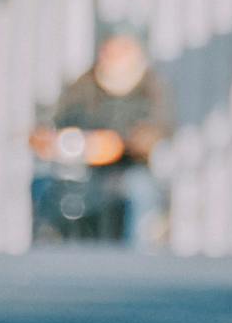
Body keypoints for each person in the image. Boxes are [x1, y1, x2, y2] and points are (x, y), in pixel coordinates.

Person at [48, 29, 170, 242]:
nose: (111, 57)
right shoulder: (85, 83)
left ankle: (135, 258)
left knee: (139, 192)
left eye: (120, 51)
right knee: (51, 191)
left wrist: (124, 143)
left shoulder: (152, 86)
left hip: (132, 166)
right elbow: (62, 118)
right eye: (108, 51)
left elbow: (160, 127)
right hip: (87, 168)